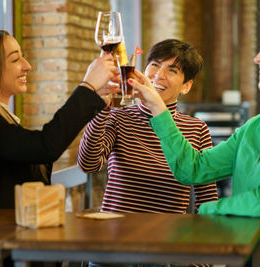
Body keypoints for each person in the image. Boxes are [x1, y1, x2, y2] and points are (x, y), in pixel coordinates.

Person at [130, 17, 260, 267]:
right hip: (242, 259)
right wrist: (159, 108)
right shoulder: (256, 126)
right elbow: (192, 168)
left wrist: (207, 211)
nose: (258, 57)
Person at [0, 29, 118, 211]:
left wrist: (93, 95)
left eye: (23, 57)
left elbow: (35, 154)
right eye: (15, 59)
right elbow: (46, 146)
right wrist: (87, 87)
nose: (27, 65)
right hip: (0, 235)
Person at [78, 39, 218, 215]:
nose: (158, 75)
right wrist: (101, 107)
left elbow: (207, 198)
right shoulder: (118, 117)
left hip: (168, 237)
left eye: (172, 70)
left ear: (186, 86)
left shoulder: (197, 129)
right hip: (116, 233)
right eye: (154, 65)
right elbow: (88, 165)